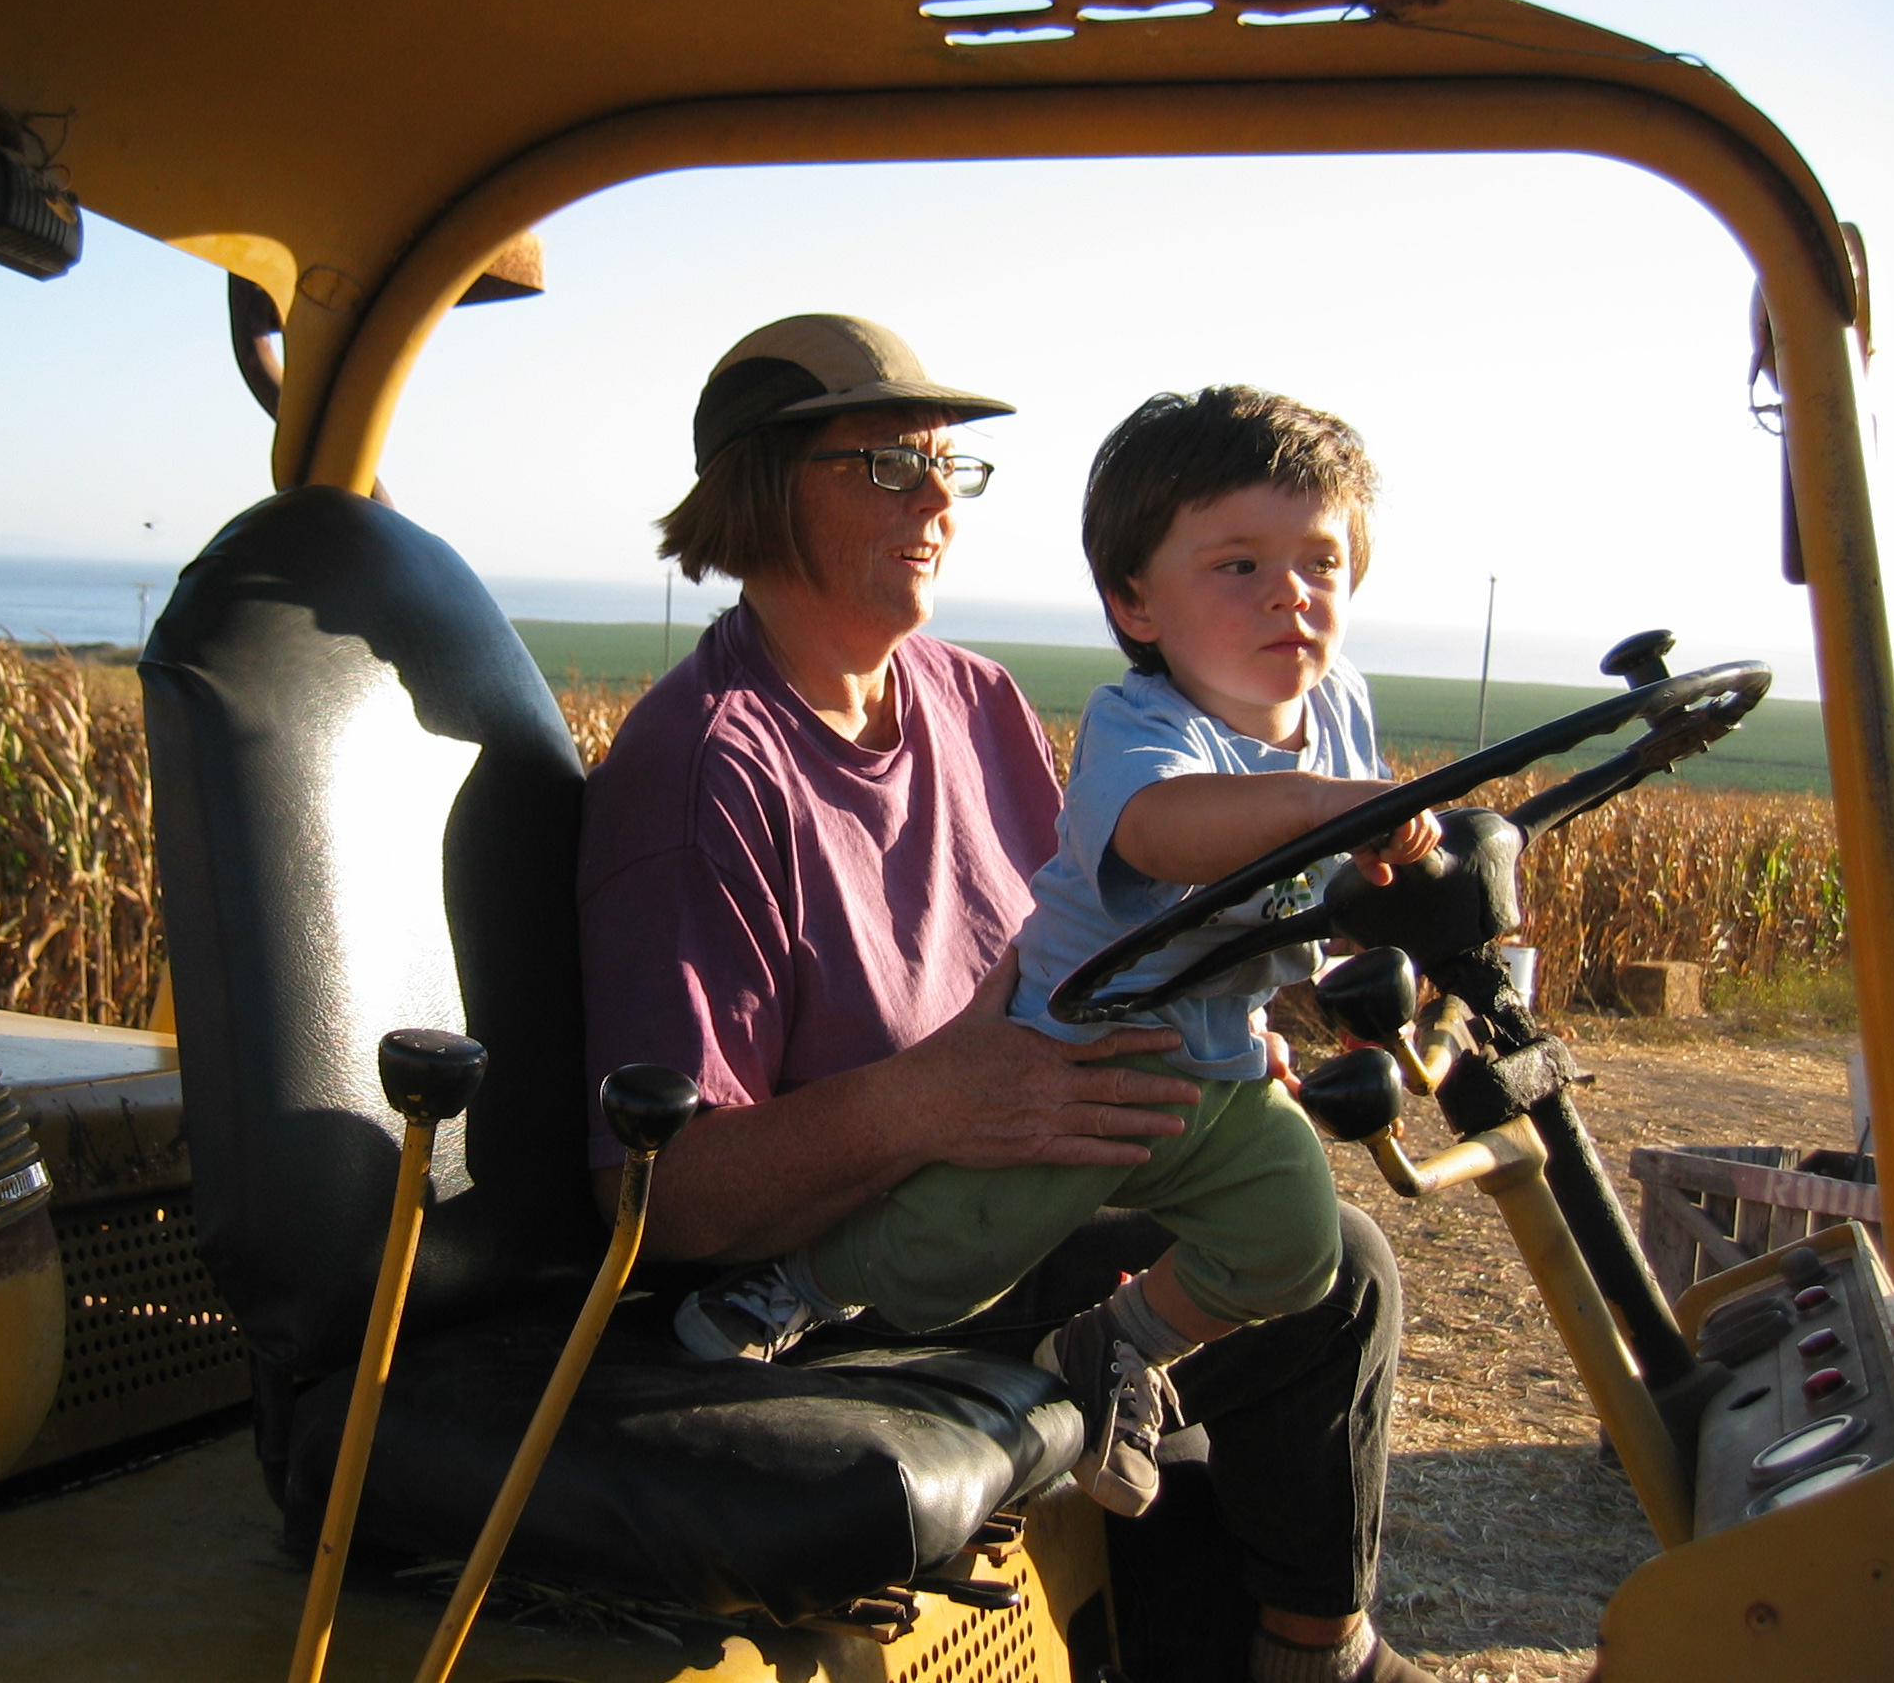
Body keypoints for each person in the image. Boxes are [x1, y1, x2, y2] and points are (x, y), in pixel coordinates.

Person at [578, 315, 1430, 1683]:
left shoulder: (970, 699)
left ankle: (1282, 1645)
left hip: (1035, 1152)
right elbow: (668, 1202)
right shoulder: (708, 776)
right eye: (887, 464)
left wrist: (1219, 1029)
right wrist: (929, 1106)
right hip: (857, 1262)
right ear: (758, 492)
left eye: (948, 466)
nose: (937, 502)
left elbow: (1115, 929)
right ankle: (1309, 1660)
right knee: (1330, 1290)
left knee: (1293, 1250)